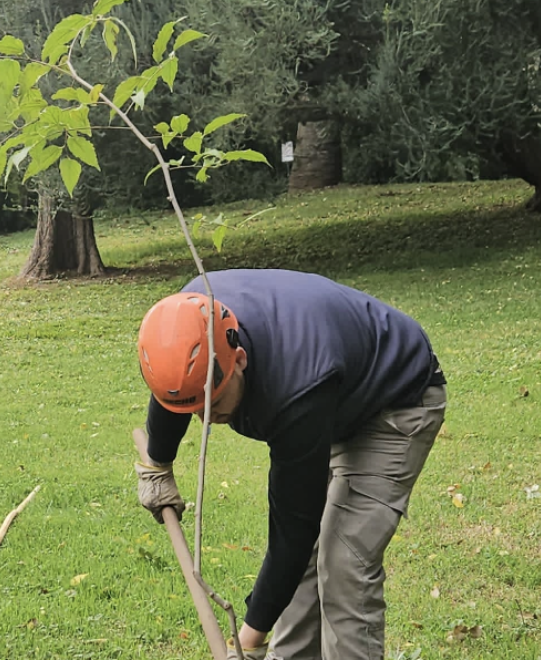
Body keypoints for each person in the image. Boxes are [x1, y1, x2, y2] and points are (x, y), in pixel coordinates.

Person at [134, 269, 447, 660]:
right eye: (195, 407)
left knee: (344, 562)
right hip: (337, 387)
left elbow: (294, 529)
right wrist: (157, 465)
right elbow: (177, 388)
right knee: (298, 573)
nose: (204, 418)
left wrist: (247, 642)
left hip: (394, 400)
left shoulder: (296, 387)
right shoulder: (189, 320)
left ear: (240, 359)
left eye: (212, 401)